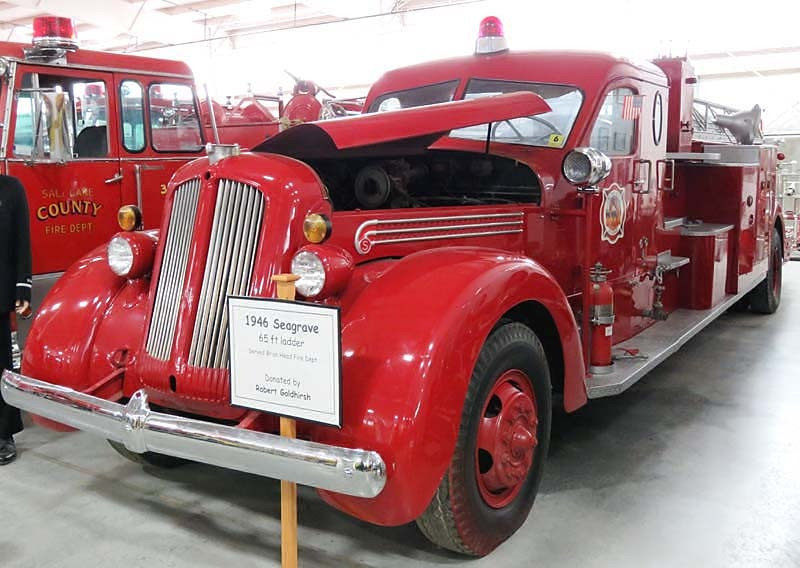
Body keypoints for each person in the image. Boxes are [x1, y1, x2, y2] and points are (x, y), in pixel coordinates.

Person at [0, 174, 32, 465]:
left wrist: (23, 287)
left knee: (1, 365)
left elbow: (22, 241)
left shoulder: (11, 189)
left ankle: (3, 433)